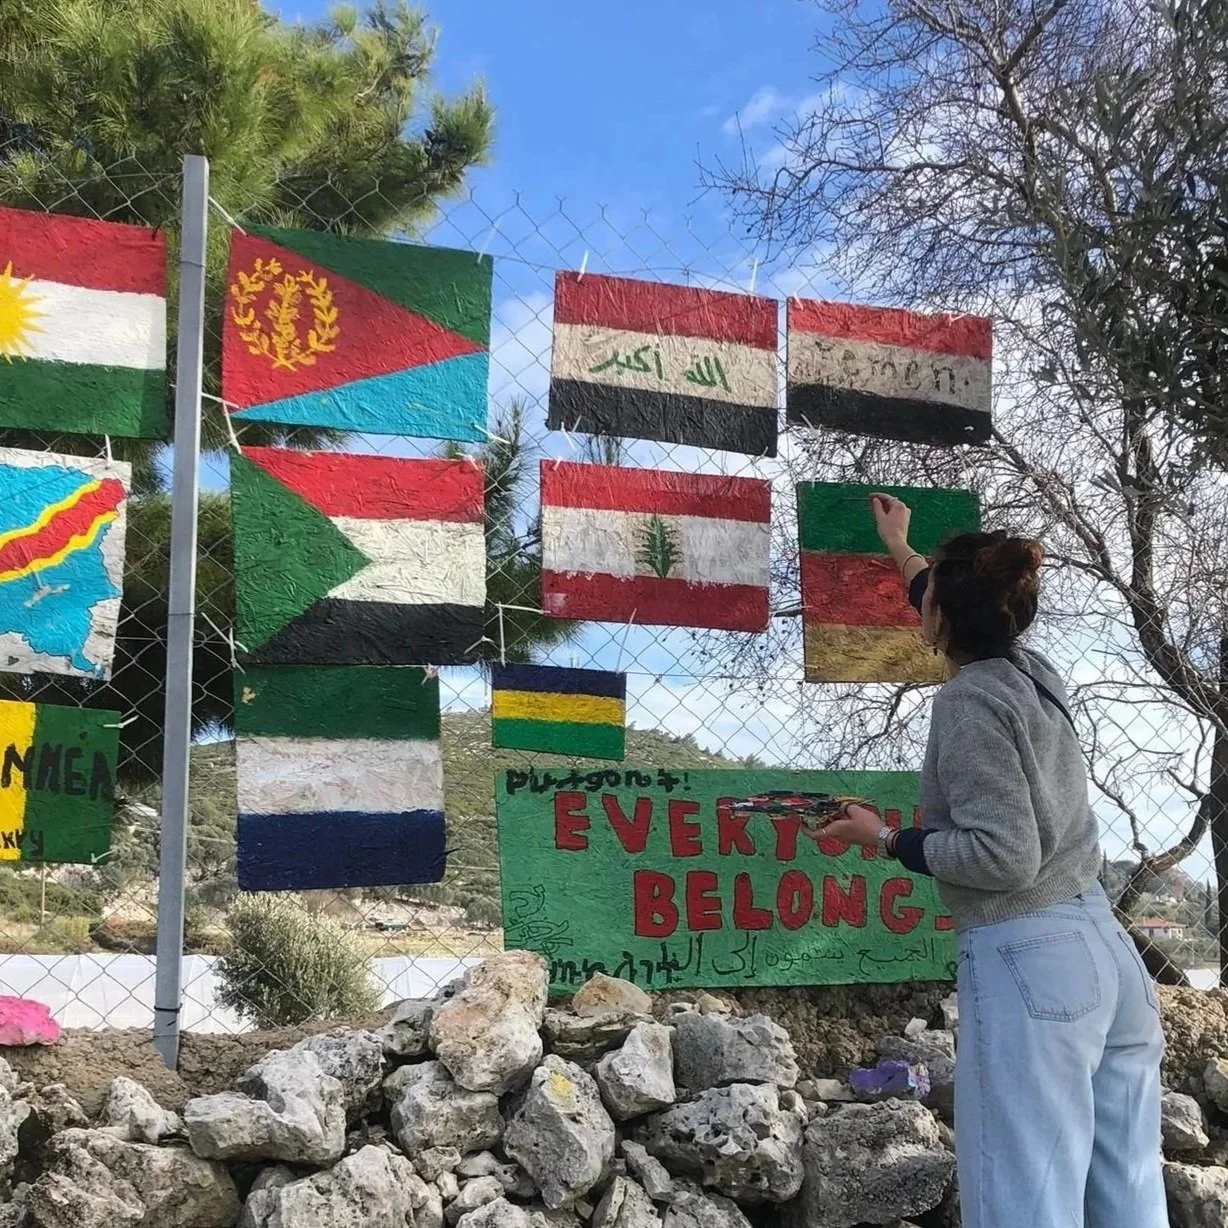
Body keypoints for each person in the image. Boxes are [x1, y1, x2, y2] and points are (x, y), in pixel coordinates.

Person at [820, 493, 1167, 1228]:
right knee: (1128, 1195)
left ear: (940, 617)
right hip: (1107, 953)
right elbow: (946, 597)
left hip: (1031, 959)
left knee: (1024, 1200)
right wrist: (900, 547)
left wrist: (885, 839)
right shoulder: (1035, 672)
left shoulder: (970, 701)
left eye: (927, 599)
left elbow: (1003, 857)